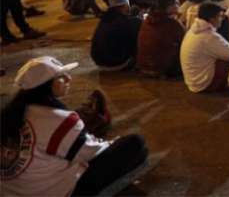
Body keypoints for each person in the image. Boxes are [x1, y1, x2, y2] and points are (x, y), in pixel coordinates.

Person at [0, 56, 148, 196]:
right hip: (47, 191)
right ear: (45, 86)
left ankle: (83, 132)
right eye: (61, 76)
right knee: (136, 144)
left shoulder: (10, 113)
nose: (68, 78)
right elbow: (91, 153)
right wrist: (110, 142)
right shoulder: (59, 119)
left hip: (11, 191)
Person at [180, 2, 229, 93]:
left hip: (193, 80)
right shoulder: (208, 36)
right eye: (220, 16)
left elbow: (223, 46)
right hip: (203, 84)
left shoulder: (195, 29)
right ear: (212, 19)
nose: (222, 19)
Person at [136, 0, 186, 77]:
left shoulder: (148, 19)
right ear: (170, 6)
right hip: (161, 67)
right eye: (177, 3)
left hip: (143, 64)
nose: (178, 6)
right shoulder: (172, 23)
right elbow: (185, 40)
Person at [90, 0, 142, 71]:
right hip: (119, 64)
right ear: (126, 6)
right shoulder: (131, 22)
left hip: (99, 63)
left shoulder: (103, 20)